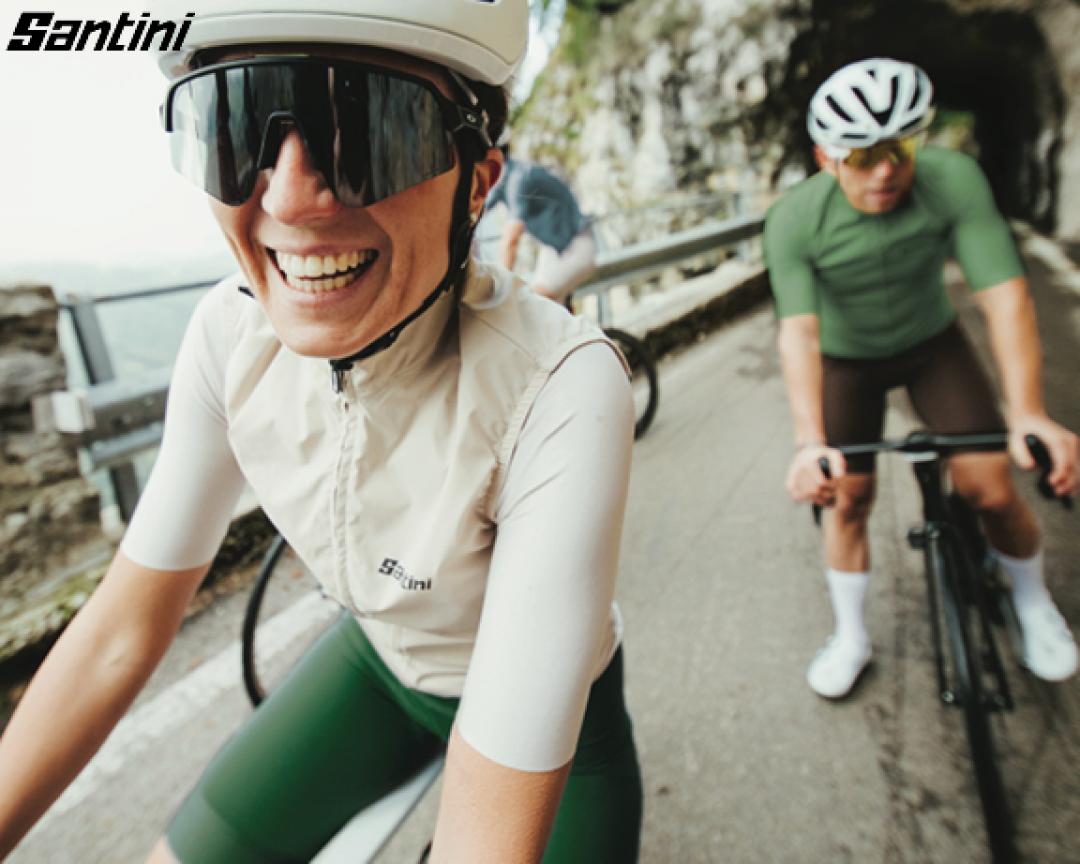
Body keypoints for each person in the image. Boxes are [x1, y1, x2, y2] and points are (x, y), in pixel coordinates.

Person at [0, 2, 644, 861]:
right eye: (233, 128)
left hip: (568, 718)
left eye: (371, 128)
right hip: (380, 665)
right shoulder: (229, 337)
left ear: (477, 182)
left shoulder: (562, 387)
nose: (290, 197)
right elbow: (120, 632)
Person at [764, 57, 1079, 699]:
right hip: (847, 361)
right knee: (847, 497)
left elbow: (1004, 297)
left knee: (992, 488)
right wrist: (809, 441)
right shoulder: (793, 219)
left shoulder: (954, 178)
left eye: (900, 149)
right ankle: (850, 635)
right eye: (863, 157)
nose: (885, 171)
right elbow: (799, 334)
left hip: (933, 346)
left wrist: (1028, 413)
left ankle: (1032, 601)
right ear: (826, 159)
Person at [487, 145, 597, 305]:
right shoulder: (505, 177)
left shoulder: (518, 179)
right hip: (554, 249)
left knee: (533, 303)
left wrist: (500, 293)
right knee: (551, 308)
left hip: (576, 245)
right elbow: (476, 208)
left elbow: (511, 240)